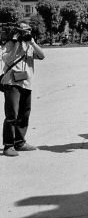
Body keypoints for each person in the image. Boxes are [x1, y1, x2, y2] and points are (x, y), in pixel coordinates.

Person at [2, 22, 45, 157]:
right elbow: (7, 60)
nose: (26, 33)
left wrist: (32, 42)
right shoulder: (10, 43)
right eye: (24, 31)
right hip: (12, 83)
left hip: (27, 83)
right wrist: (16, 43)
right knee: (12, 115)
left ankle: (20, 142)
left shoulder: (30, 44)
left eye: (28, 31)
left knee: (24, 114)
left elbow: (42, 55)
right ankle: (8, 145)